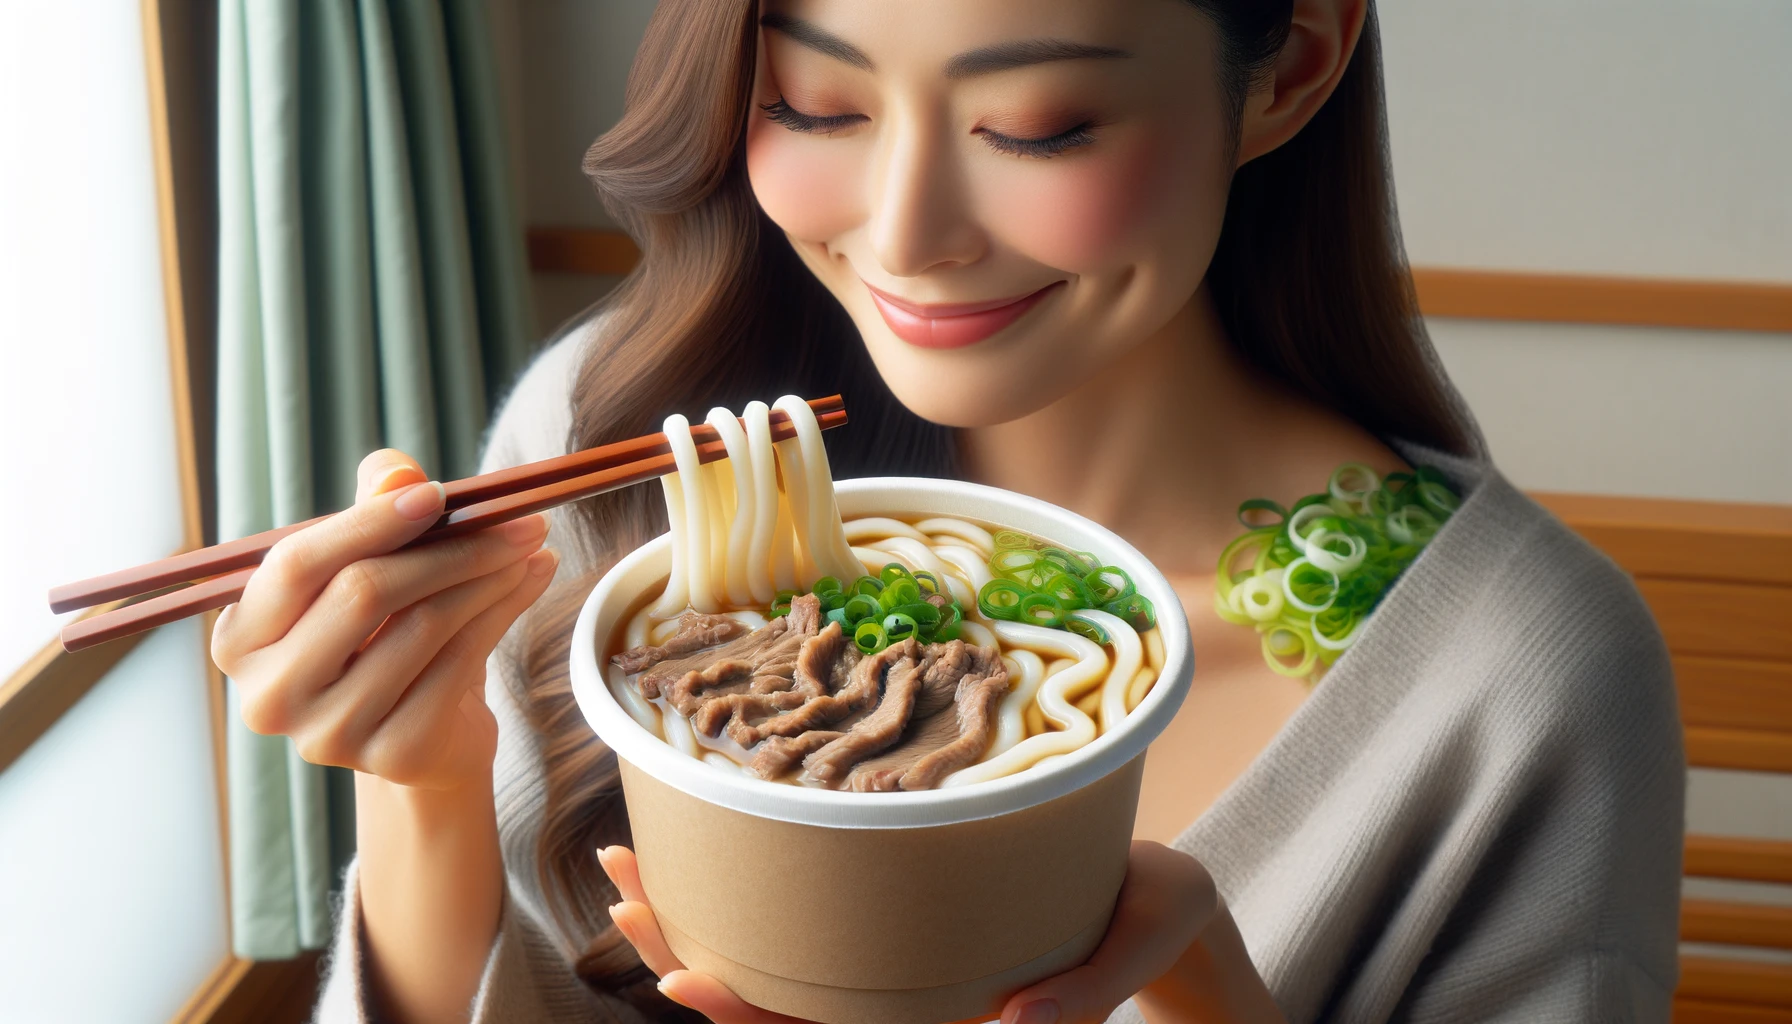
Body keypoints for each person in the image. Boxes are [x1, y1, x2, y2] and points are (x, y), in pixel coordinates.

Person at [210, 1, 1683, 1021]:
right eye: (816, 103)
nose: (906, 230)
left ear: (1288, 65)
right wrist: (424, 785)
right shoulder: (624, 441)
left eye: (1038, 123)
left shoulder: (1517, 678)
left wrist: (1200, 999)